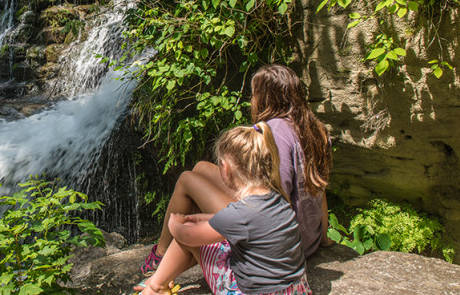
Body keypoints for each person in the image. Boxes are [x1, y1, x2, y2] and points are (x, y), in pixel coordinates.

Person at [140, 64, 332, 275]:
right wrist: (322, 238)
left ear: (266, 96)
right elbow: (320, 187)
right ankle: (186, 249)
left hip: (280, 239)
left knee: (187, 179)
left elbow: (278, 194)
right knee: (200, 169)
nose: (252, 100)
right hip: (306, 237)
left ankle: (162, 254)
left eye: (255, 93)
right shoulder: (316, 128)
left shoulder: (276, 130)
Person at [134, 123, 312, 295]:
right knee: (205, 233)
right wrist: (201, 218)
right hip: (288, 292)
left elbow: (187, 236)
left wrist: (175, 222)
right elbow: (236, 223)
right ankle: (166, 274)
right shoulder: (277, 200)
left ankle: (155, 287)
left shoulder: (240, 214)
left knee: (188, 239)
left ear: (225, 170)